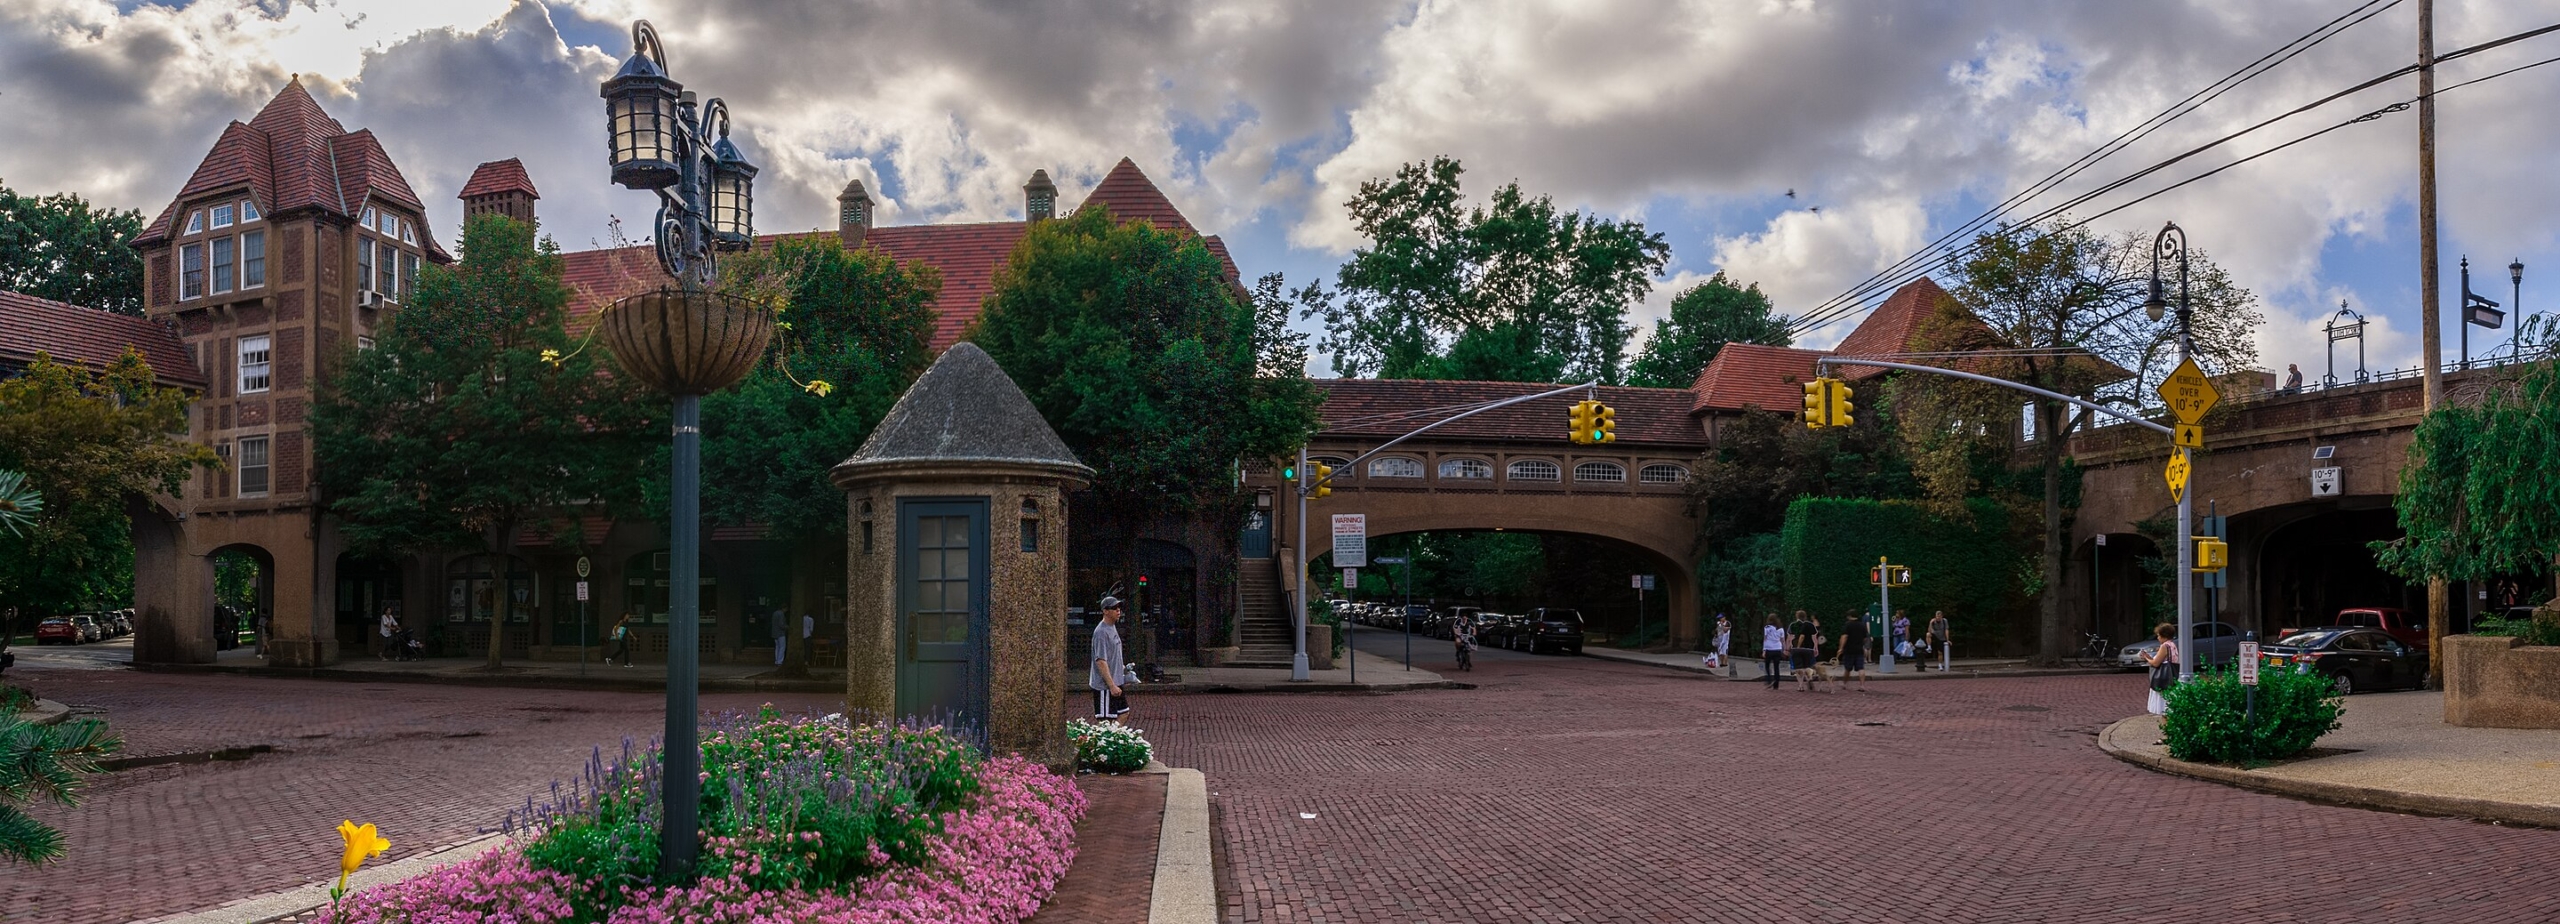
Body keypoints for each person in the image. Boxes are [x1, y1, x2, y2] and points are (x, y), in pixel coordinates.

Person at [1091, 596, 1130, 720]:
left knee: (1124, 713)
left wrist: (1122, 669)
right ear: (1105, 611)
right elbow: (1101, 661)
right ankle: (1100, 739)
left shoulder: (1112, 627)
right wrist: (1111, 685)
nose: (1118, 610)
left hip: (1117, 681)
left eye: (1119, 608)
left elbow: (1112, 655)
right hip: (1105, 686)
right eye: (1114, 608)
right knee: (1105, 722)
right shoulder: (1101, 632)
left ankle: (1113, 738)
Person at [2142, 623, 2179, 716]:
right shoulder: (2172, 645)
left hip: (2163, 679)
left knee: (2163, 709)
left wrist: (2146, 658)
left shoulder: (2164, 646)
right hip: (2172, 675)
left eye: (2158, 635)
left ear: (2164, 635)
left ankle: (2166, 727)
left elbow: (2155, 663)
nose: (2158, 638)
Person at [1787, 610, 1822, 691]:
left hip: (1796, 648)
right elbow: (1814, 638)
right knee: (1807, 665)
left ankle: (1800, 686)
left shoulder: (1793, 625)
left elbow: (1790, 638)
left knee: (1798, 668)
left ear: (1797, 616)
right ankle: (1809, 678)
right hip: (1809, 648)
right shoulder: (1811, 625)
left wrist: (1788, 647)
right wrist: (1816, 648)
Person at [1836, 610, 1869, 691]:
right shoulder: (1862, 625)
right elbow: (1865, 638)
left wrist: (1841, 648)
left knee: (1848, 668)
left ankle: (1844, 684)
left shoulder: (1848, 625)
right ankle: (1862, 685)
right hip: (1859, 649)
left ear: (1849, 616)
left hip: (1849, 649)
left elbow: (1844, 637)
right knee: (1861, 668)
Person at [1760, 614, 1788, 690]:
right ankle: (1776, 683)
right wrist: (1784, 649)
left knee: (1767, 665)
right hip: (1777, 648)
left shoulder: (1767, 628)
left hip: (1769, 648)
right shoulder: (1781, 629)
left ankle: (1769, 679)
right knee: (1776, 667)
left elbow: (1765, 639)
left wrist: (1764, 650)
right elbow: (1782, 640)